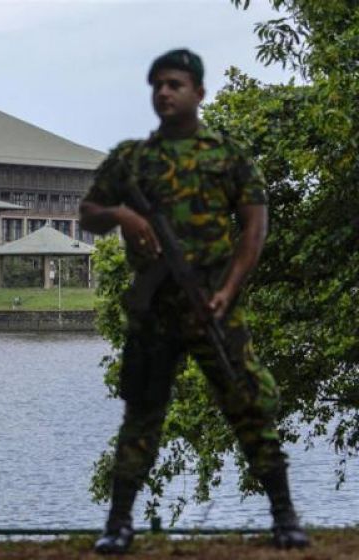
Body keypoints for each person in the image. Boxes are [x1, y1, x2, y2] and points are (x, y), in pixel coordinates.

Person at [79, 48, 309, 555]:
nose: (164, 92)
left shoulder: (227, 156)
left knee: (250, 406)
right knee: (141, 416)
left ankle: (285, 517)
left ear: (198, 93)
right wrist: (125, 216)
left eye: (175, 84)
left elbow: (254, 228)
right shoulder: (133, 160)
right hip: (155, 311)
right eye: (158, 84)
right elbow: (89, 212)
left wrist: (229, 290)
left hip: (212, 305)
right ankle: (118, 525)